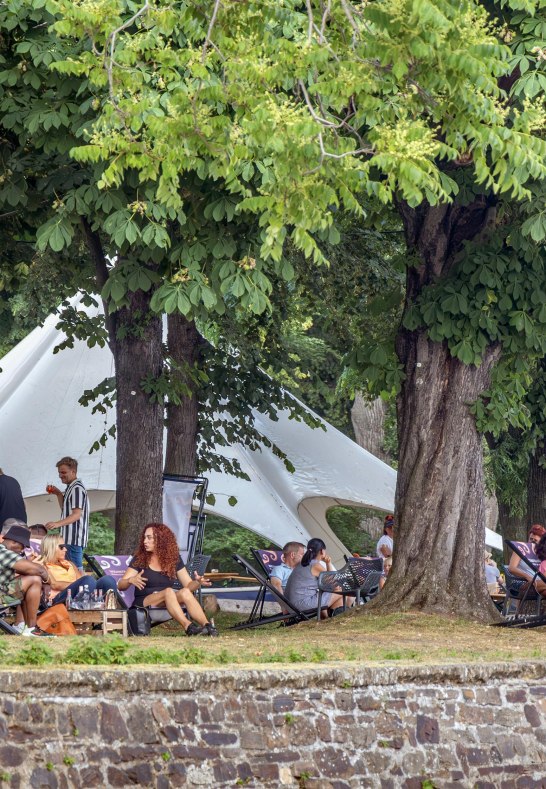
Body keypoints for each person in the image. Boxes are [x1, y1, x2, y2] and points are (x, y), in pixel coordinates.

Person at [118, 523, 219, 636]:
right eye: (144, 537)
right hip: (144, 602)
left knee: (184, 592)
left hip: (167, 601)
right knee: (169, 591)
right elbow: (120, 585)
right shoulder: (140, 559)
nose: (144, 541)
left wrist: (197, 582)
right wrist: (130, 580)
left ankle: (208, 627)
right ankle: (189, 627)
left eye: (149, 538)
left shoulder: (173, 558)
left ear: (161, 539)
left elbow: (188, 585)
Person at [0, 524, 53, 637]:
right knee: (34, 579)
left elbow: (27, 571)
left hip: (2, 592)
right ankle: (31, 629)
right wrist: (48, 582)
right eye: (23, 546)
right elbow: (38, 570)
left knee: (31, 580)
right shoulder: (3, 552)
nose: (23, 550)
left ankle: (27, 627)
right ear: (14, 542)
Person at [37, 533, 117, 606]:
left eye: (65, 547)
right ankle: (82, 611)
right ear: (51, 548)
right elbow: (54, 584)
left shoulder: (70, 564)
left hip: (77, 595)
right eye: (62, 547)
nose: (65, 549)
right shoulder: (43, 565)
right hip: (58, 599)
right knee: (88, 580)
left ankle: (110, 611)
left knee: (108, 580)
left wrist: (79, 584)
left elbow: (81, 581)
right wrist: (77, 584)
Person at [45, 457, 89, 571]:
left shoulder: (77, 488)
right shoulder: (71, 487)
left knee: (75, 571)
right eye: (59, 473)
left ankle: (82, 588)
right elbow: (65, 510)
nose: (60, 475)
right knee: (69, 569)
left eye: (63, 472)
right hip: (69, 539)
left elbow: (76, 514)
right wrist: (58, 494)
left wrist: (57, 524)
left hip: (73, 539)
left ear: (73, 471)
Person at [284, 537, 347, 618]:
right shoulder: (315, 565)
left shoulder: (304, 563)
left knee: (326, 592)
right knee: (341, 589)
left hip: (291, 605)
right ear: (322, 551)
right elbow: (334, 584)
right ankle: (337, 616)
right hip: (300, 606)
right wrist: (328, 563)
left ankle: (329, 616)